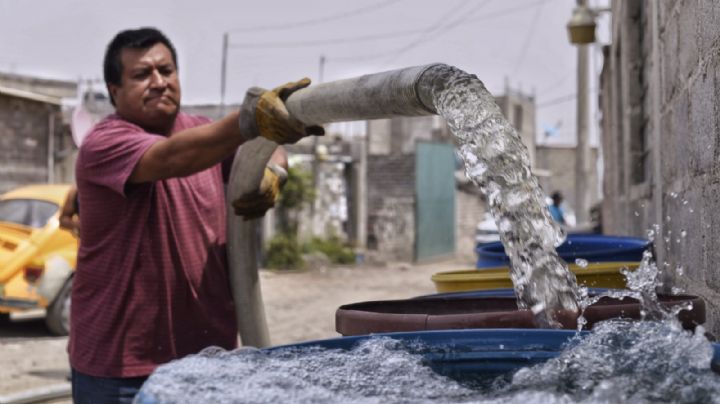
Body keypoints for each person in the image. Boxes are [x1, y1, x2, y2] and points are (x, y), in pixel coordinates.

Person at [68, 27, 323, 403]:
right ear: (114, 91)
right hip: (120, 370)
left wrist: (274, 168)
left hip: (207, 360)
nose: (158, 82)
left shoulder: (204, 133)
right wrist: (248, 120)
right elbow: (173, 157)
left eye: (166, 71)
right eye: (142, 75)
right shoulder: (105, 143)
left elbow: (264, 150)